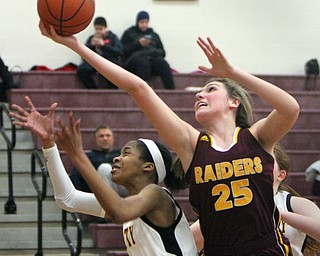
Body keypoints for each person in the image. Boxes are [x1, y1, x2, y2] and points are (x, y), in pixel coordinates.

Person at [39, 22, 300, 255]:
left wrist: (233, 73)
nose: (200, 95)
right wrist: (78, 48)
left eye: (210, 89)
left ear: (233, 101)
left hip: (265, 249)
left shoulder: (256, 137)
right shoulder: (192, 145)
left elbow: (290, 108)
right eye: (199, 91)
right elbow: (138, 88)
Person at [9, 96, 197, 255]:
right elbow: (68, 199)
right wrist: (49, 144)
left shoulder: (157, 195)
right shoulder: (131, 204)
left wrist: (78, 156)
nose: (117, 158)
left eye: (126, 153)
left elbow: (119, 212)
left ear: (147, 167)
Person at [190, 145, 320, 256]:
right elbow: (187, 242)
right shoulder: (233, 202)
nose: (259, 164)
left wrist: (278, 213)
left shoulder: (292, 203)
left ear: (281, 175)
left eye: (266, 159)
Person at [120, 11, 175, 90]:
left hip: (152, 59)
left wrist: (153, 51)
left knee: (163, 64)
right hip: (135, 61)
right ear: (137, 22)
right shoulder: (129, 33)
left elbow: (163, 52)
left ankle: (171, 90)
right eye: (142, 22)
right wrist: (138, 44)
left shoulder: (153, 35)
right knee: (143, 63)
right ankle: (144, 91)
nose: (144, 24)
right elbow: (123, 50)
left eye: (146, 22)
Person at [70, 124, 128, 197]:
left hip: (123, 188)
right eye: (101, 136)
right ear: (96, 140)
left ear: (113, 138)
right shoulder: (89, 157)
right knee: (104, 168)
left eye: (108, 135)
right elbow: (76, 179)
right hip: (98, 195)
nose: (105, 138)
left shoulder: (121, 154)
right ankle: (110, 205)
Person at [77, 17, 122, 89]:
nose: (98, 31)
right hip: (94, 62)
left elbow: (119, 52)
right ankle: (92, 89)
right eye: (96, 29)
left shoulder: (112, 38)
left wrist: (104, 45)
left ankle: (111, 89)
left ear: (106, 28)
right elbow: (83, 55)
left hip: (108, 62)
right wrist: (91, 46)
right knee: (82, 69)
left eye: (101, 29)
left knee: (111, 71)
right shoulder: (92, 38)